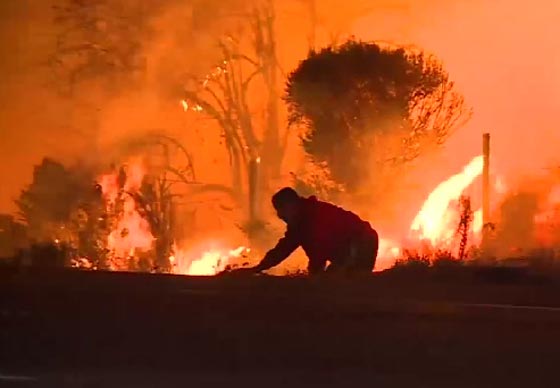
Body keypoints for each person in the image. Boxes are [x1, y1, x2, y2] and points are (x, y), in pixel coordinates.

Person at [239, 187, 379, 275]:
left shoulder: (313, 215)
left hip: (362, 243)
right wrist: (259, 268)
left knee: (345, 281)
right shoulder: (300, 222)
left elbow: (319, 251)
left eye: (280, 210)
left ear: (291, 205)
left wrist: (315, 276)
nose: (280, 216)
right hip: (352, 247)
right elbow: (283, 249)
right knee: (335, 281)